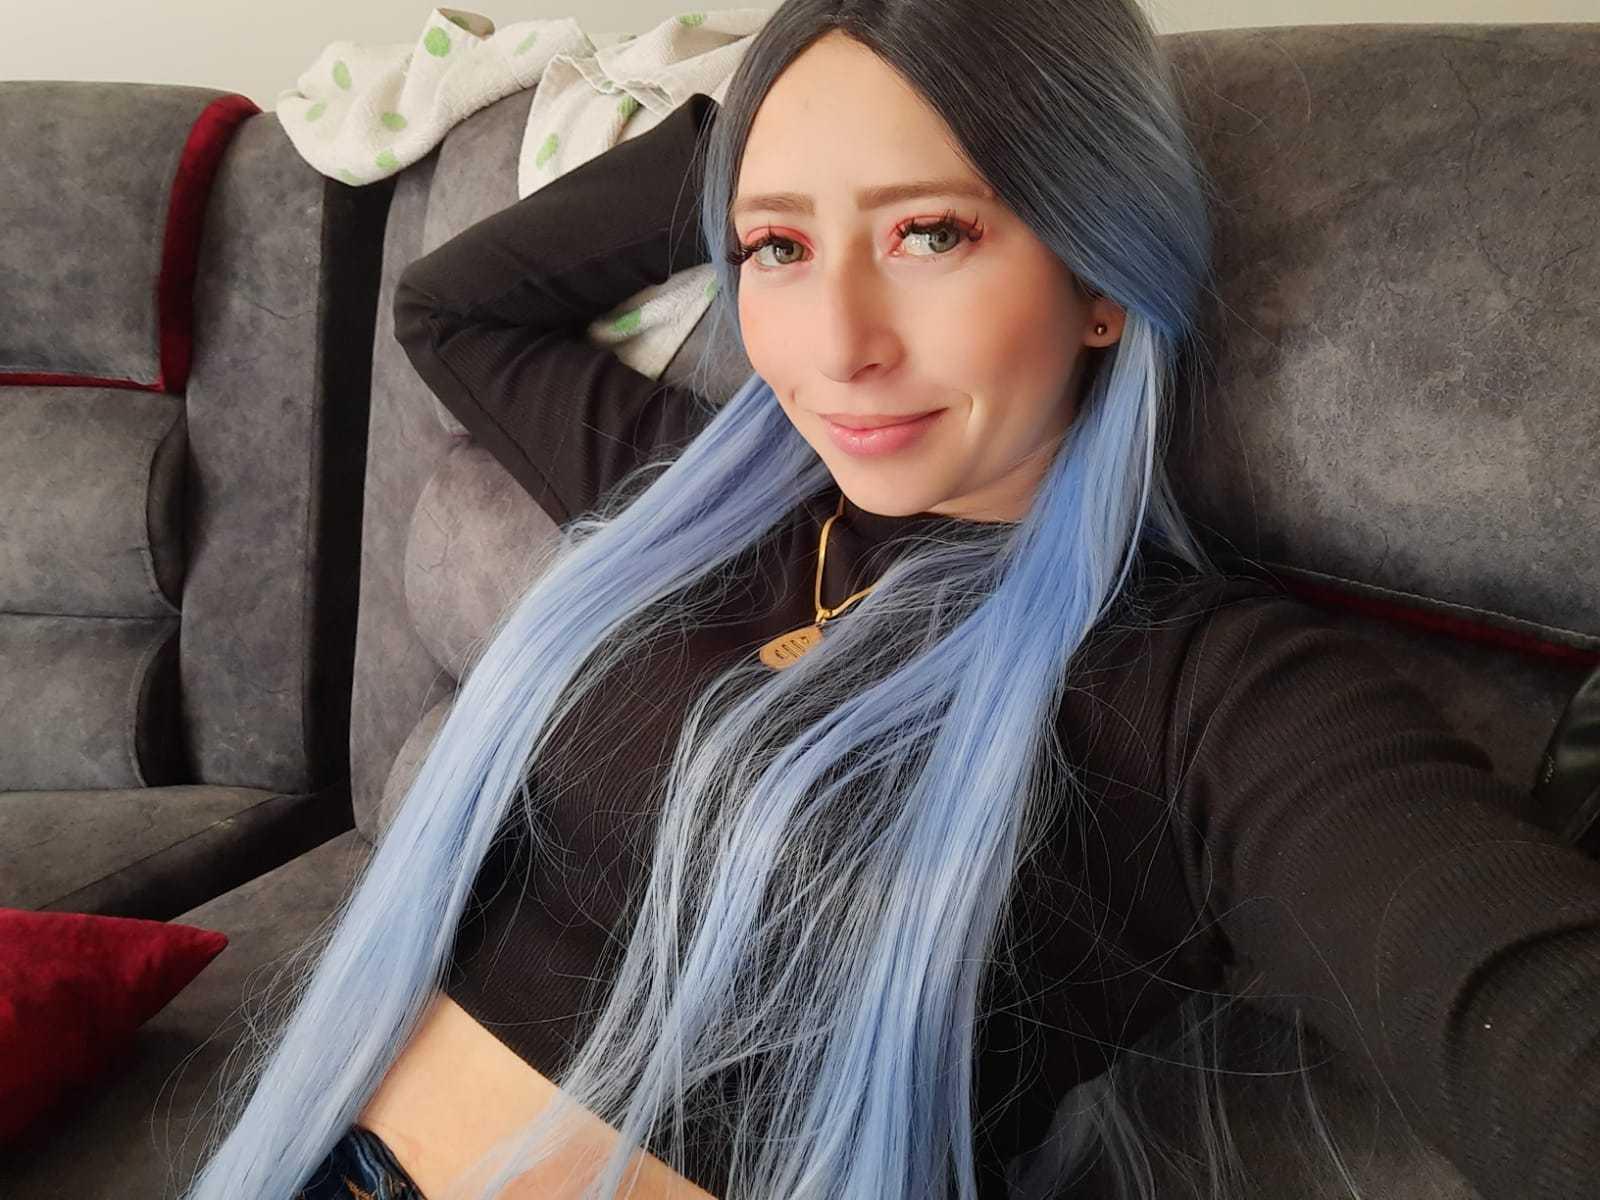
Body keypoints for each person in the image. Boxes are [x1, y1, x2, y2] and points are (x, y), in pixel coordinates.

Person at [180, 3, 1600, 1199]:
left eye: (930, 233)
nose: (837, 348)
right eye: (778, 252)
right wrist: (754, 131)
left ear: (1102, 279)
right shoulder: (704, 506)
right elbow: (452, 310)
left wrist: (805, 174)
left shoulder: (1207, 695)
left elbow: (1522, 1015)